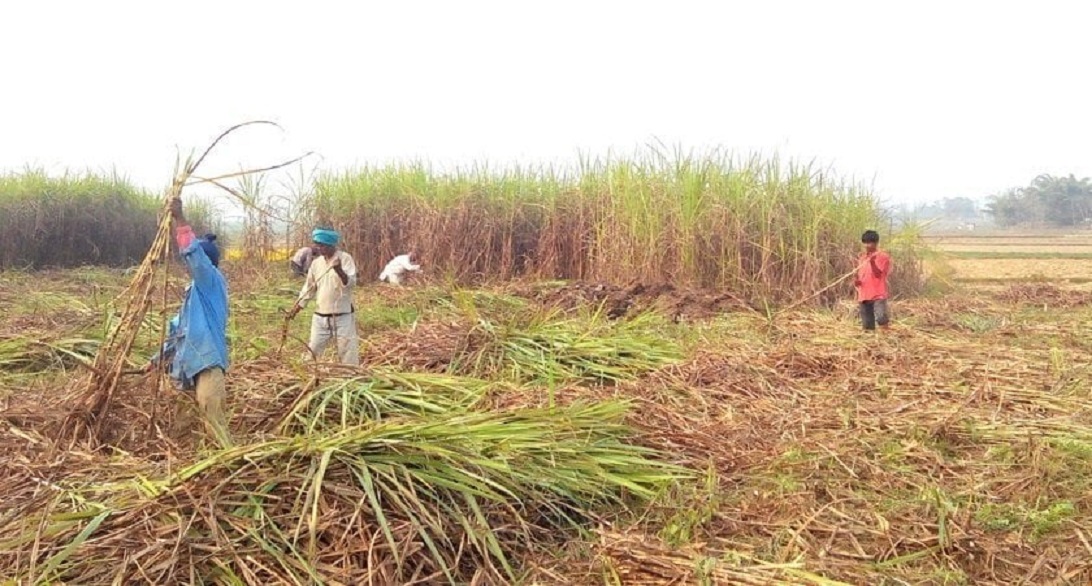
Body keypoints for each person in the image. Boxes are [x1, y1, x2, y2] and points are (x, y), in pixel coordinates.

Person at [146, 195, 231, 447]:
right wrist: (156, 361)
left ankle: (228, 465)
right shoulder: (192, 292)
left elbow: (194, 255)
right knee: (185, 431)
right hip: (187, 370)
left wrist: (180, 219)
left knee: (215, 428)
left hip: (207, 366)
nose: (187, 265)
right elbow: (177, 333)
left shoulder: (211, 282)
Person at [287, 228, 360, 365]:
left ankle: (351, 377)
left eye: (322, 245)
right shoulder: (316, 263)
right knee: (312, 351)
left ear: (332, 245)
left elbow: (350, 284)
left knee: (348, 353)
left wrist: (338, 269)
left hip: (342, 317)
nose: (319, 248)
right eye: (317, 244)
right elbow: (309, 289)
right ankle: (309, 376)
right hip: (320, 317)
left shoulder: (345, 259)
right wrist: (296, 309)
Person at [854, 230, 892, 332]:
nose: (867, 245)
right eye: (865, 243)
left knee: (881, 318)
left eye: (870, 243)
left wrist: (872, 262)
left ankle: (886, 338)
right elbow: (861, 275)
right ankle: (871, 343)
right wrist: (857, 282)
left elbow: (878, 274)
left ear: (876, 243)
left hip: (877, 294)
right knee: (867, 324)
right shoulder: (862, 258)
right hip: (864, 294)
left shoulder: (882, 256)